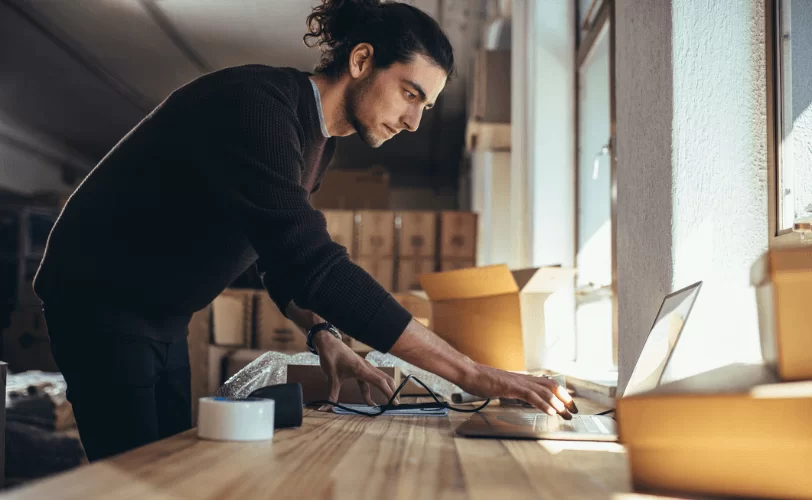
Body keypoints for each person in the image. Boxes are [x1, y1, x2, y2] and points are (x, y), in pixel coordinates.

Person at [33, 0, 574, 462]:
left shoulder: (320, 144)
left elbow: (277, 259)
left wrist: (322, 334)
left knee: (172, 461)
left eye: (426, 107)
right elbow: (312, 261)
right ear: (362, 59)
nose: (414, 122)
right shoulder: (260, 108)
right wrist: (474, 374)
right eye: (410, 93)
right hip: (100, 301)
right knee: (139, 477)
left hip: (163, 315)